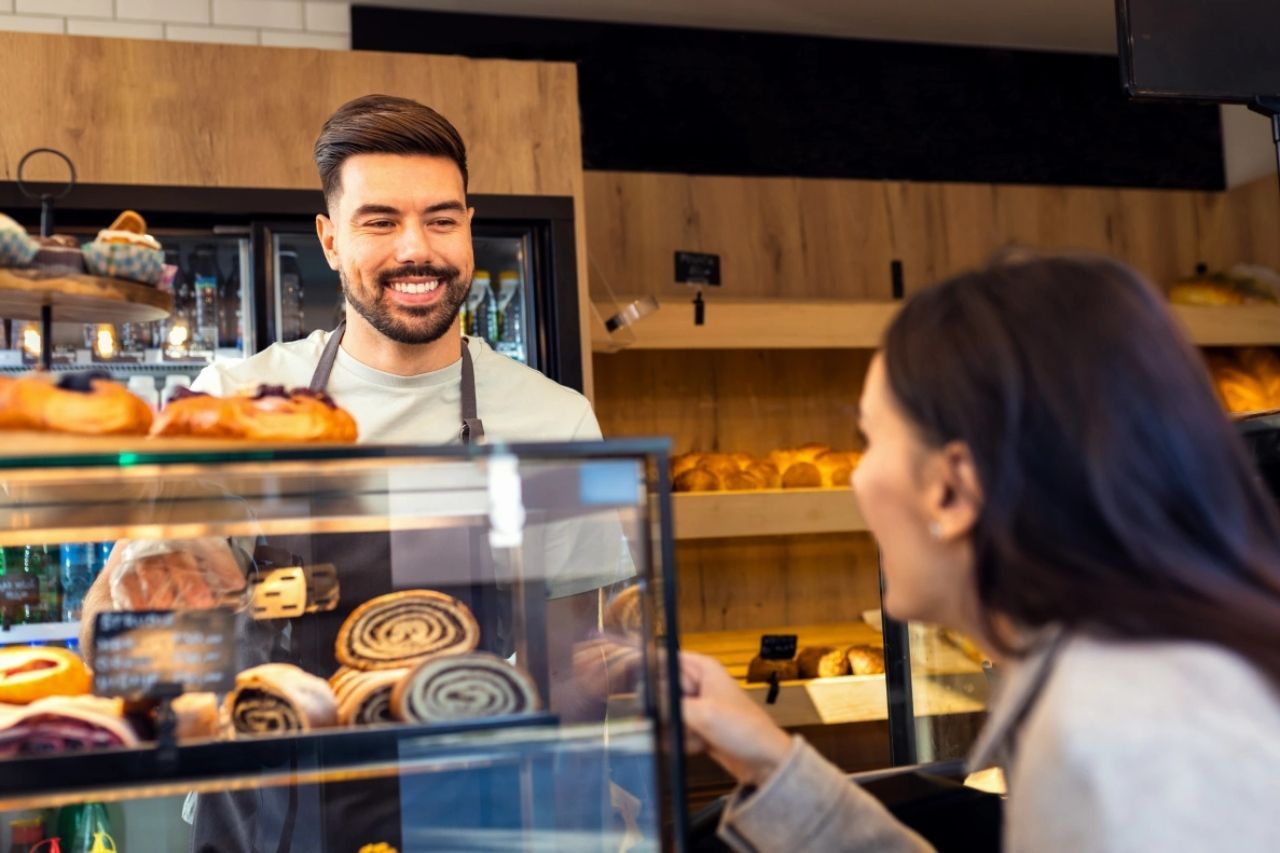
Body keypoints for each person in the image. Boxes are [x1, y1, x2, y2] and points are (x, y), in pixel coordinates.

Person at [80, 94, 633, 852]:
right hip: (270, 818)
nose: (418, 250)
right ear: (331, 239)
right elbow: (114, 646)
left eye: (442, 219)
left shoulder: (556, 420)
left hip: (474, 817)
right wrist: (164, 601)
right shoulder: (233, 402)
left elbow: (570, 673)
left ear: (469, 225)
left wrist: (574, 830)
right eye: (381, 221)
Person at [681, 252, 1280, 852]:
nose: (858, 477)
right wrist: (762, 756)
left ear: (953, 488)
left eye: (871, 439)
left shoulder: (1113, 744)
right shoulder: (1133, 675)